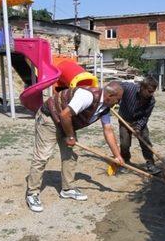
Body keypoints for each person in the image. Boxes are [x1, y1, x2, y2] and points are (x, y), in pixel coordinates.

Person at [25, 81, 125, 212]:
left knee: (71, 156)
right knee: (43, 156)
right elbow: (64, 114)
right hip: (49, 118)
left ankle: (67, 189)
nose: (117, 103)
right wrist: (71, 137)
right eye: (117, 100)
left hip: (66, 123)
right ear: (109, 96)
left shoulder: (105, 108)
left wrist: (117, 156)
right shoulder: (87, 96)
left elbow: (108, 130)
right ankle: (32, 193)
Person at [117, 76, 161, 175]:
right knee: (124, 143)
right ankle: (125, 162)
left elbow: (145, 117)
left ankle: (150, 164)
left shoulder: (151, 101)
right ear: (142, 87)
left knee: (145, 140)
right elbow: (115, 85)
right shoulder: (129, 88)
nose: (151, 94)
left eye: (153, 91)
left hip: (139, 121)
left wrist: (138, 127)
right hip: (124, 119)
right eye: (149, 91)